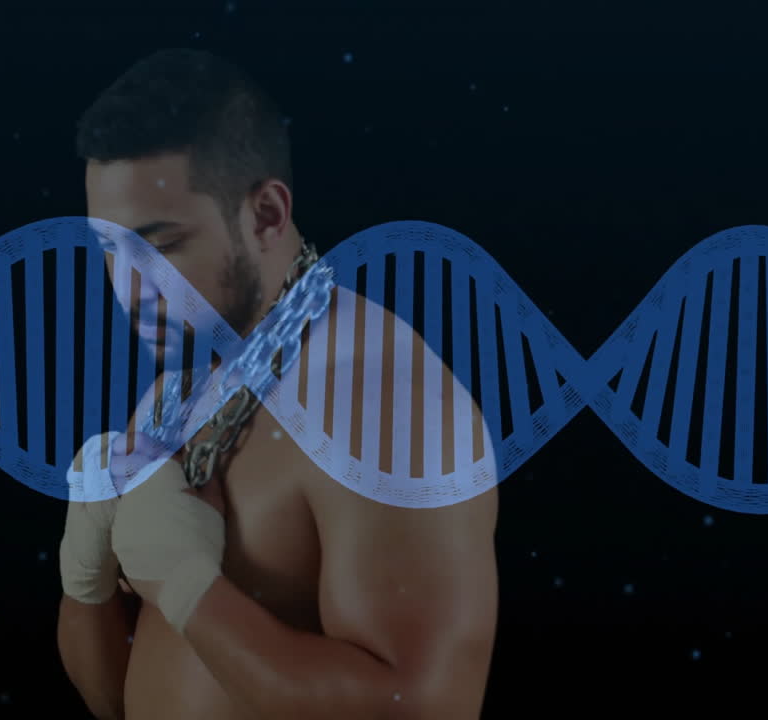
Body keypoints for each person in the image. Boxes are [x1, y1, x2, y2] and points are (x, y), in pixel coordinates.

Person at [57, 47, 499, 720]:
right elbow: (118, 699)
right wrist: (83, 583)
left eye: (163, 245)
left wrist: (189, 586)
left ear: (265, 214)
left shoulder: (387, 405)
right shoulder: (176, 390)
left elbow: (427, 709)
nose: (131, 290)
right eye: (112, 251)